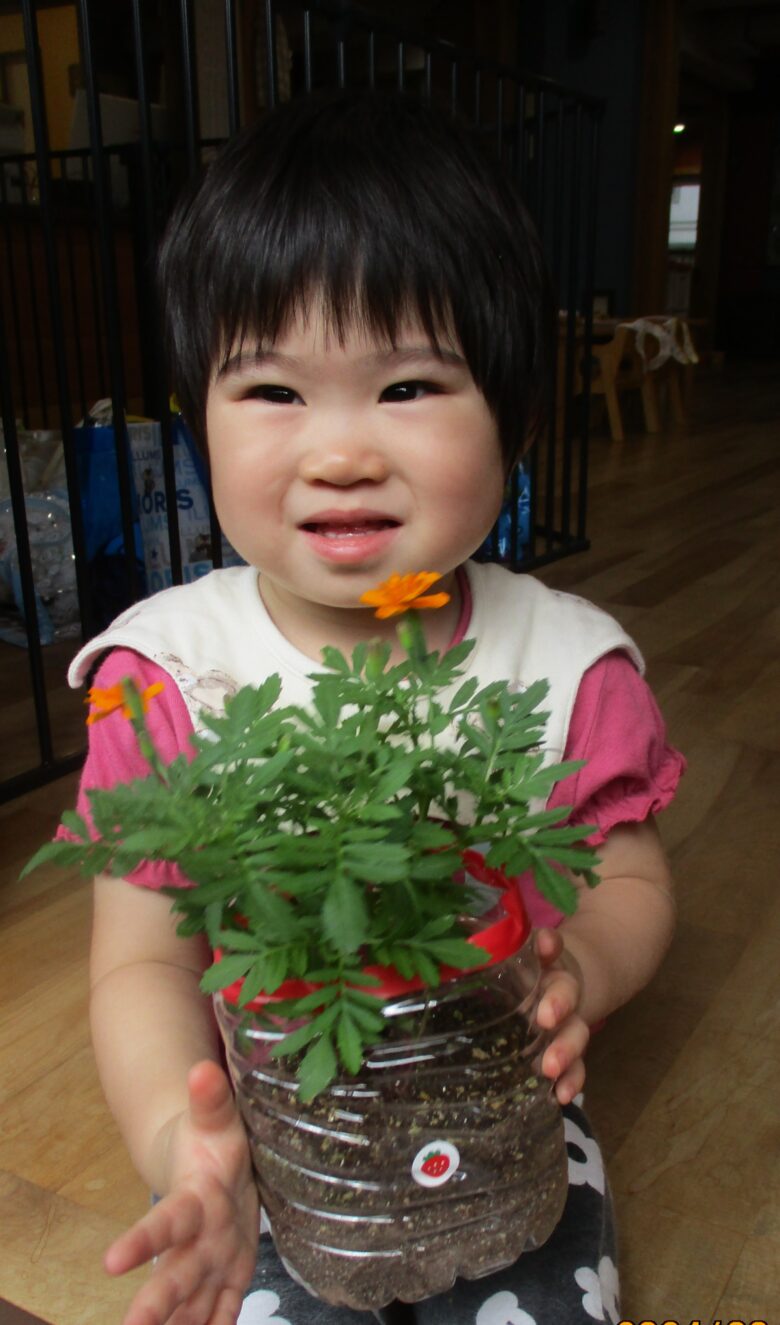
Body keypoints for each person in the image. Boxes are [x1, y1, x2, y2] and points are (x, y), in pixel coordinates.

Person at [64, 90, 683, 1325]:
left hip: (492, 1095)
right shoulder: (168, 675)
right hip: (285, 1129)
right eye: (273, 393)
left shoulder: (563, 663)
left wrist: (584, 971)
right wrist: (176, 1143)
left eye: (406, 386)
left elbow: (627, 880)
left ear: (514, 415)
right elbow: (141, 956)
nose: (340, 449)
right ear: (194, 423)